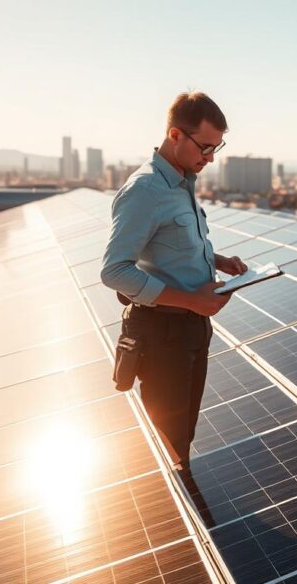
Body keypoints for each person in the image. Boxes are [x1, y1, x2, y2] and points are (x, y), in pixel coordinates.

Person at [101, 91, 247, 470]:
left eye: (216, 148)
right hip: (161, 334)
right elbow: (114, 270)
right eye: (205, 146)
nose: (210, 158)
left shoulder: (183, 182)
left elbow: (169, 245)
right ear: (175, 135)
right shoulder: (145, 190)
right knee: (169, 443)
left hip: (192, 329)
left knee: (184, 434)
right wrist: (192, 301)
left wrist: (217, 260)